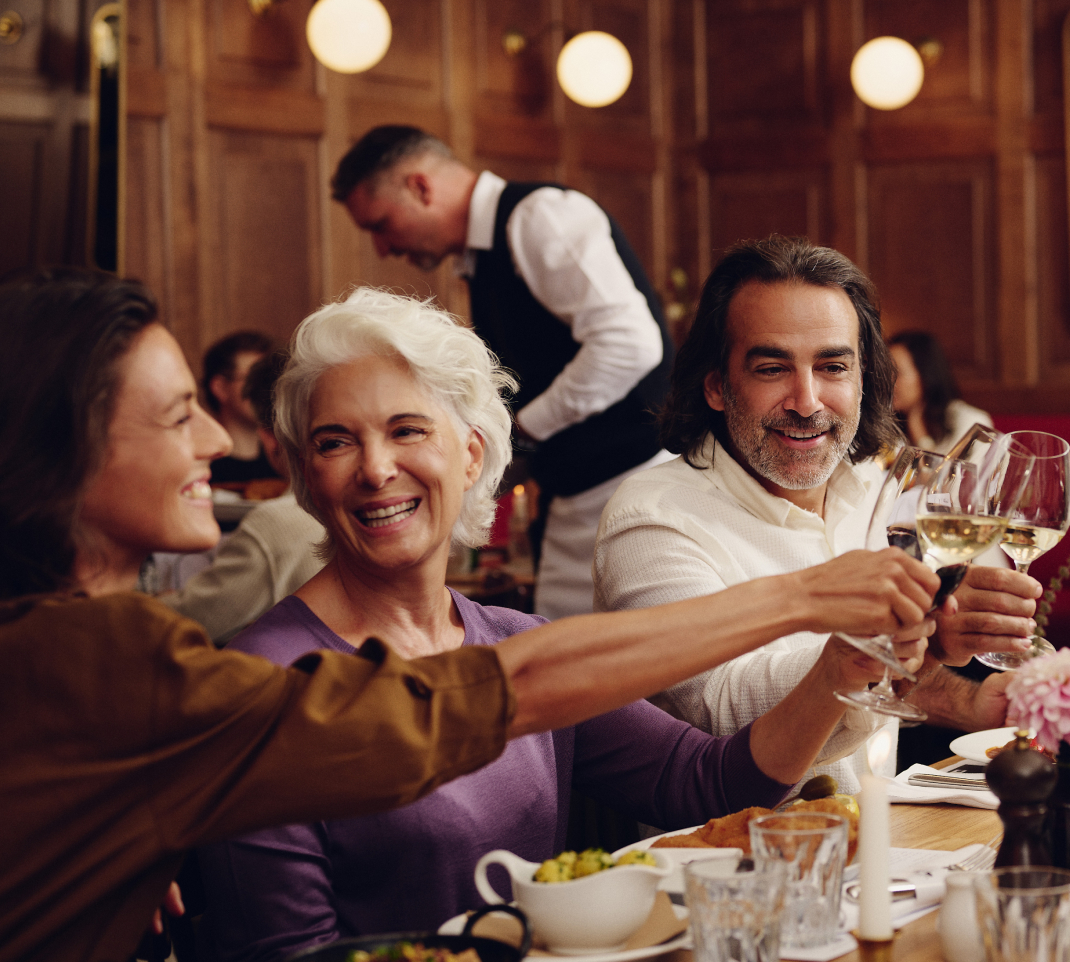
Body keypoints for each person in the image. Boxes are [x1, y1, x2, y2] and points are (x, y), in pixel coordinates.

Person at [0, 270, 939, 962]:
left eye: (408, 430)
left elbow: (709, 784)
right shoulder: (153, 663)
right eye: (176, 417)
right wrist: (801, 599)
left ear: (473, 451)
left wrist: (837, 663)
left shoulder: (105, 669)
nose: (214, 433)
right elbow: (492, 700)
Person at [594, 238, 1042, 792]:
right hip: (731, 863)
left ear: (863, 380)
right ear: (716, 385)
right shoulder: (651, 518)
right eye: (771, 368)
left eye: (832, 366)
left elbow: (883, 683)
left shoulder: (877, 489)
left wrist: (971, 701)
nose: (807, 401)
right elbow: (718, 713)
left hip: (885, 850)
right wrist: (886, 648)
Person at [332, 126, 672, 619]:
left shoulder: (540, 217)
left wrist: (522, 428)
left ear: (420, 187)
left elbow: (629, 344)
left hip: (635, 481)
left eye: (381, 224)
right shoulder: (484, 254)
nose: (382, 248)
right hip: (575, 490)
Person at [160, 351, 326, 644]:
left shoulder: (276, 524)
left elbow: (193, 620)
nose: (220, 443)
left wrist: (146, 605)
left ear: (268, 437)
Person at [887, 330, 992, 454]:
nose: (888, 382)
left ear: (925, 374)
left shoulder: (971, 422)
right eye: (886, 372)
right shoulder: (888, 424)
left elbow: (956, 472)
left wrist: (918, 429)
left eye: (897, 373)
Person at [203, 330, 278, 485]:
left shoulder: (283, 463)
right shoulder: (201, 466)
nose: (268, 389)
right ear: (221, 388)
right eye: (255, 378)